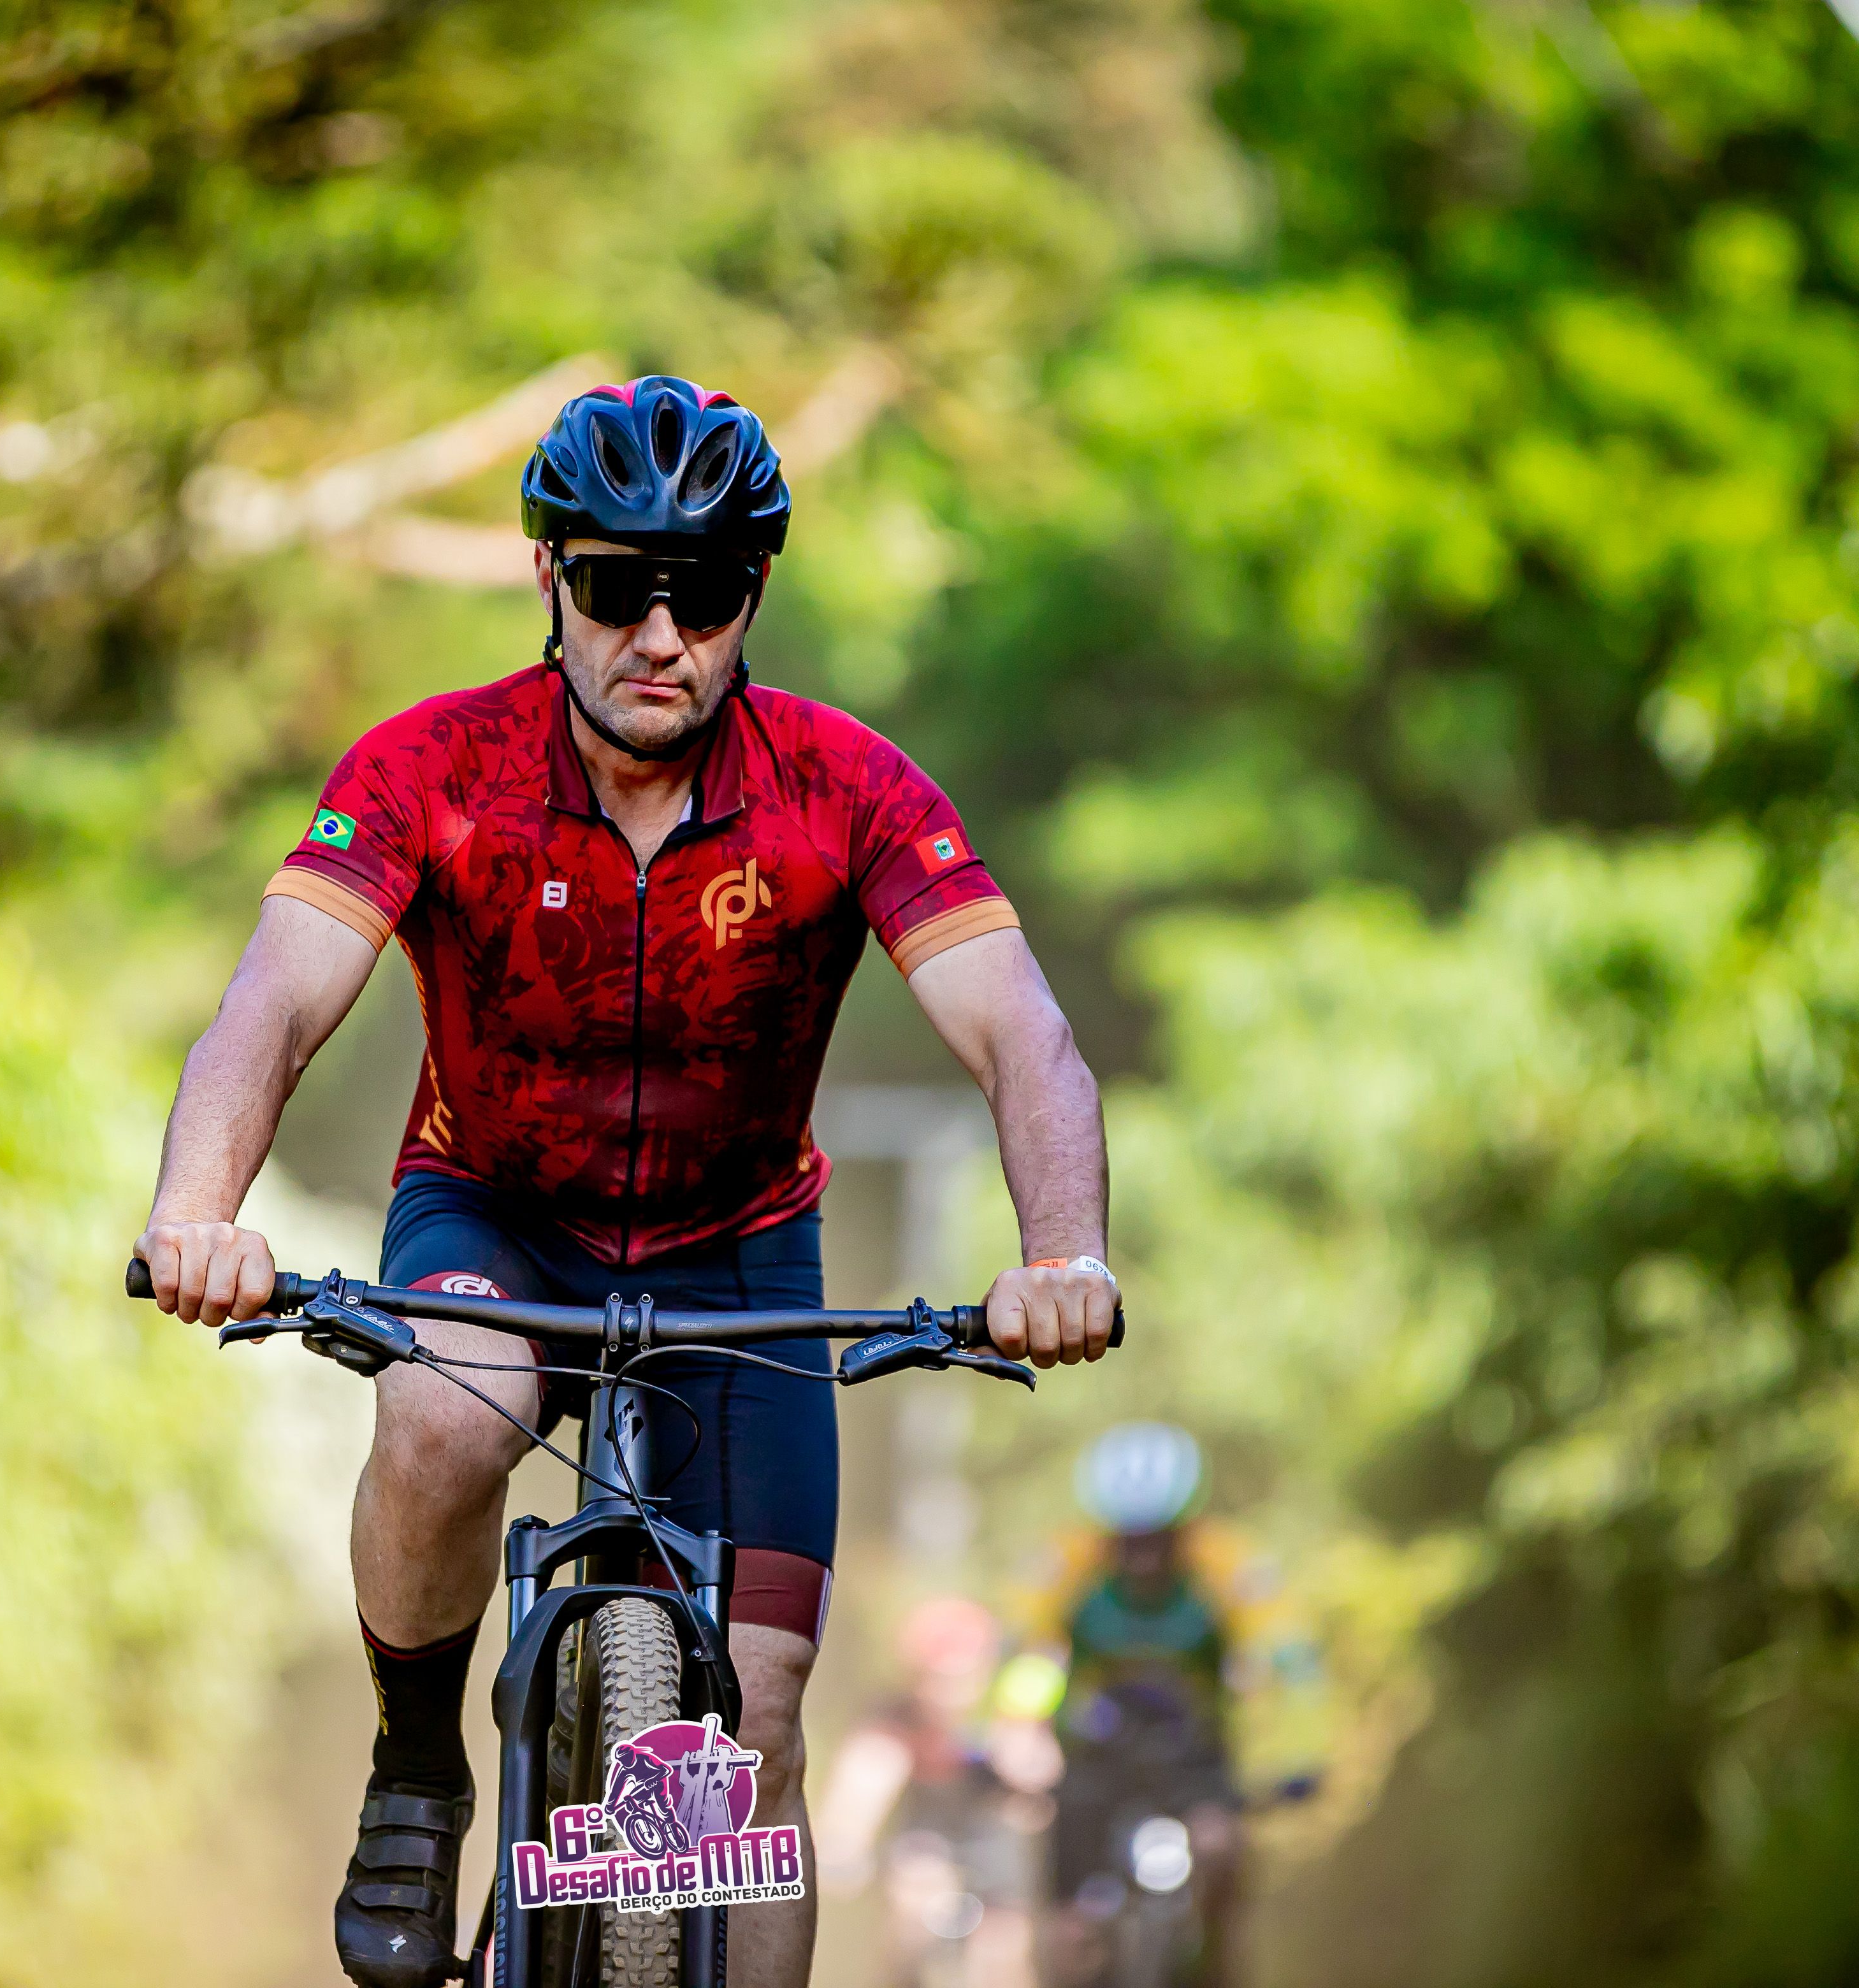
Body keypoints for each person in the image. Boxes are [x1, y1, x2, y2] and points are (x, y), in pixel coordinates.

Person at [131, 375, 1120, 1988]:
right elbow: (274, 1006)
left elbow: (1023, 1034)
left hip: (739, 1251)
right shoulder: (434, 764)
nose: (658, 636)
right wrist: (197, 1213)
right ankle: (416, 1767)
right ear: (548, 578)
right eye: (614, 586)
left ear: (753, 598)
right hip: (495, 1215)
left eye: (704, 594)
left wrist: (1063, 1252)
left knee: (764, 1728)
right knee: (443, 1415)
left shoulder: (847, 786)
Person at [1048, 1425, 1243, 1988]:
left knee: (1218, 1850)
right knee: (1073, 1928)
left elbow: (1284, 1664)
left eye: (1158, 1539)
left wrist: (1296, 1755)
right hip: (1094, 1760)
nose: (1142, 1556)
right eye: (1128, 1541)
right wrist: (1021, 1734)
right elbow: (1032, 1657)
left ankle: (1213, 1966)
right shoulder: (1069, 1567)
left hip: (1192, 1762)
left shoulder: (1225, 1569)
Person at [809, 1597, 1055, 1988]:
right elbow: (859, 1790)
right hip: (926, 1835)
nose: (950, 1692)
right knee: (915, 1903)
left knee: (1004, 1944)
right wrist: (842, 1849)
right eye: (937, 1678)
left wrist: (1024, 1772)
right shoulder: (896, 1723)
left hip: (994, 1837)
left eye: (964, 1676)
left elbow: (1038, 1770)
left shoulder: (1008, 1712)